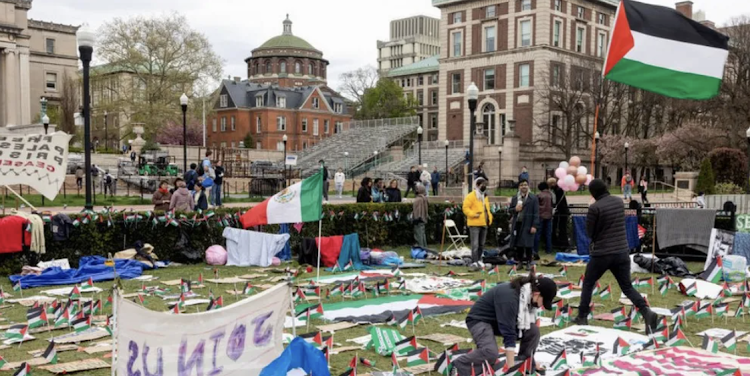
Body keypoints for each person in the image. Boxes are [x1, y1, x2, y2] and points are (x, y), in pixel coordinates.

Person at [573, 179, 659, 331]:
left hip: (602, 252)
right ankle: (646, 312)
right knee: (627, 286)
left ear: (593, 192)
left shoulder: (595, 208)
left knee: (588, 283)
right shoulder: (619, 202)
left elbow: (590, 233)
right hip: (621, 251)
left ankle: (582, 316)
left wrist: (590, 210)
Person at [452, 274, 558, 376]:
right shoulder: (510, 299)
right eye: (543, 301)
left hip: (497, 320)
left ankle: (525, 363)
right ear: (536, 294)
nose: (541, 306)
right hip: (479, 320)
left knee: (533, 331)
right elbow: (509, 333)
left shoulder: (525, 295)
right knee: (490, 352)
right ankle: (460, 365)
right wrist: (511, 369)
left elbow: (523, 324)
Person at [462, 178, 493, 270]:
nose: (484, 186)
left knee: (481, 244)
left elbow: (487, 208)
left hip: (484, 223)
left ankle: (479, 260)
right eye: (482, 184)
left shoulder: (485, 196)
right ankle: (474, 261)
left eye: (485, 185)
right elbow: (465, 208)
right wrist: (473, 214)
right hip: (474, 223)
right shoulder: (471, 196)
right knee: (475, 244)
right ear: (478, 185)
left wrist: (490, 217)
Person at [509, 180, 540, 270]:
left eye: (525, 185)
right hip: (518, 223)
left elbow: (536, 213)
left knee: (528, 244)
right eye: (522, 185)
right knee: (519, 244)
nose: (524, 186)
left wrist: (534, 225)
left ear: (528, 186)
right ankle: (520, 262)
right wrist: (515, 209)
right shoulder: (515, 198)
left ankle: (529, 262)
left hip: (528, 224)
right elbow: (510, 210)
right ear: (519, 187)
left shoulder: (533, 198)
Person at [549, 177, 570, 249]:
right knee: (561, 228)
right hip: (561, 211)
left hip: (561, 211)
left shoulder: (557, 190)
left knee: (561, 228)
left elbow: (556, 201)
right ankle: (560, 243)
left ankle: (561, 244)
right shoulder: (558, 189)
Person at [534, 182, 554, 255]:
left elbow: (536, 205)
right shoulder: (550, 195)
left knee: (538, 233)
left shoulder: (539, 195)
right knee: (548, 234)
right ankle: (549, 250)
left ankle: (535, 250)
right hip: (549, 215)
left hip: (540, 216)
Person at [412, 184, 429, 249]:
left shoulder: (419, 199)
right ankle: (425, 247)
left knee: (419, 234)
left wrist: (416, 218)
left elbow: (417, 210)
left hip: (418, 219)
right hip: (423, 218)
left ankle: (421, 248)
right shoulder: (424, 198)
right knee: (422, 234)